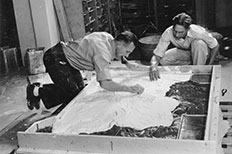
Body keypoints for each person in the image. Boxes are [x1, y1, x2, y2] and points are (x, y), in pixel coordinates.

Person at [26, 31, 146, 110]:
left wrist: (126, 62)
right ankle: (36, 91)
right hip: (56, 59)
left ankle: (44, 90)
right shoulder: (103, 54)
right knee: (71, 96)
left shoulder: (108, 38)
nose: (128, 55)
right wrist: (130, 89)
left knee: (79, 92)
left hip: (67, 57)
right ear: (120, 44)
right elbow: (105, 84)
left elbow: (114, 51)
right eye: (127, 52)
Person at [149, 12, 219, 81]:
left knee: (198, 43)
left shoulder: (197, 31)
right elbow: (157, 55)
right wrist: (153, 67)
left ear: (187, 29)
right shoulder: (168, 32)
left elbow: (215, 46)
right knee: (163, 60)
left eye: (180, 32)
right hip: (187, 53)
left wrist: (209, 65)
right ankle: (193, 64)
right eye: (175, 31)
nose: (177, 35)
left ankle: (198, 71)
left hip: (202, 51)